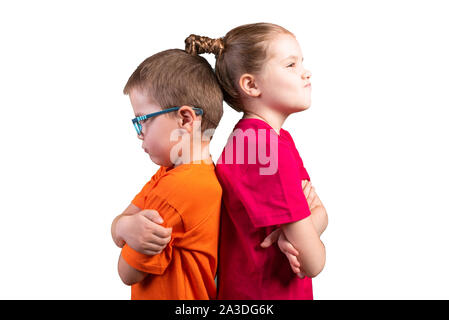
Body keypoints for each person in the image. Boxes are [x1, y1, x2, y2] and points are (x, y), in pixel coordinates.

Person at [184, 22, 328, 300]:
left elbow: (321, 213)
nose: (305, 72)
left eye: (301, 63)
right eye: (291, 65)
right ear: (251, 84)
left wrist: (292, 233)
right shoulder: (266, 151)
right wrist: (302, 231)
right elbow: (313, 262)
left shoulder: (266, 139)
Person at [110, 48, 224, 299]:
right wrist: (124, 227)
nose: (139, 133)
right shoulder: (173, 173)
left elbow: (127, 273)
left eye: (143, 119)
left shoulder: (177, 190)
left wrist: (122, 228)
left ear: (185, 120)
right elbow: (121, 222)